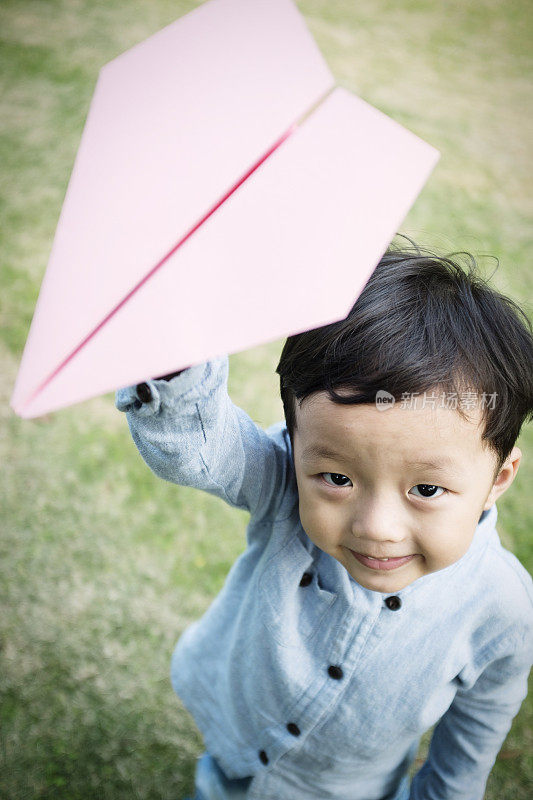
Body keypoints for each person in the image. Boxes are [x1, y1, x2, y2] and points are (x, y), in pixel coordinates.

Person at [116, 243, 533, 800]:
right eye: (337, 479)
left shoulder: (503, 610)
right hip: (234, 746)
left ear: (500, 476)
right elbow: (203, 447)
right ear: (295, 447)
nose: (377, 527)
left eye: (427, 489)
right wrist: (176, 361)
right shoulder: (283, 484)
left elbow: (466, 757)